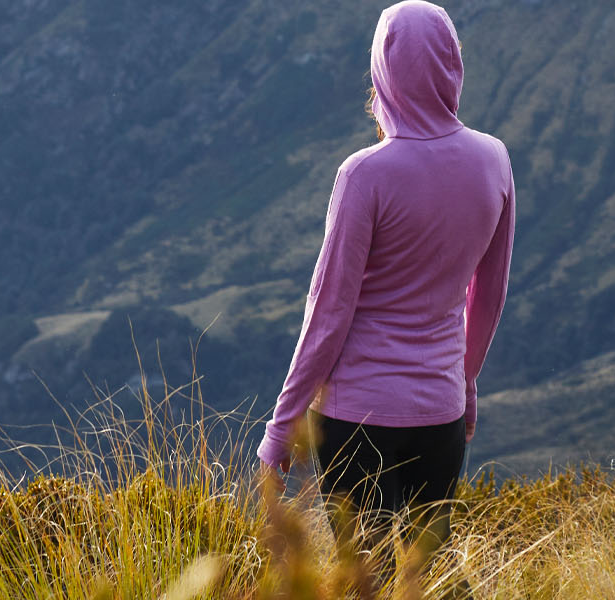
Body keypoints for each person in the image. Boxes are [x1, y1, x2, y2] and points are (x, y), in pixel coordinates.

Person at [256, 0, 515, 582]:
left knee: (361, 579)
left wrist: (281, 428)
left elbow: (328, 314)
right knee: (433, 578)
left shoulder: (364, 175)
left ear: (383, 72)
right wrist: (466, 384)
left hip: (357, 419)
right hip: (441, 413)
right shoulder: (494, 161)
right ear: (453, 66)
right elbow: (489, 293)